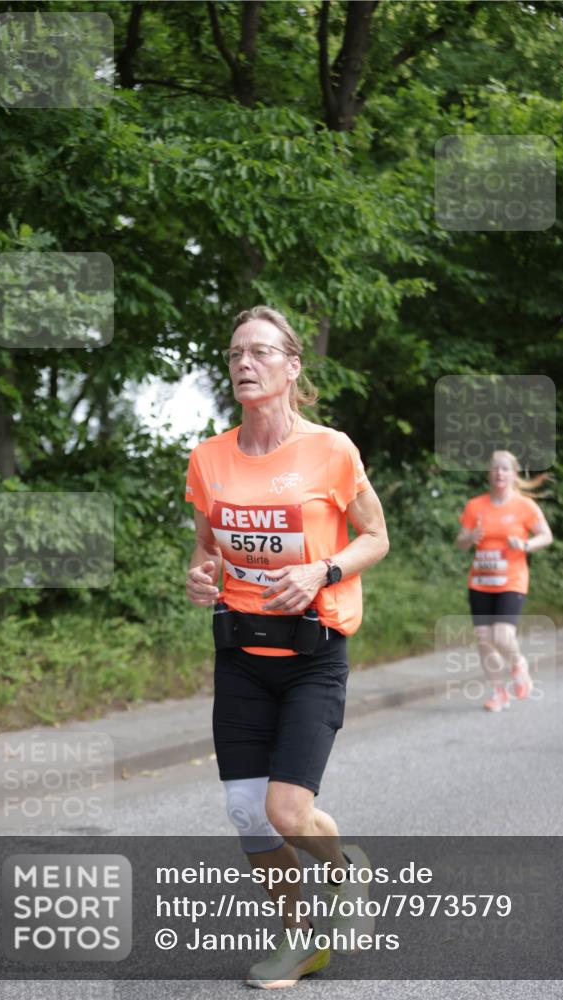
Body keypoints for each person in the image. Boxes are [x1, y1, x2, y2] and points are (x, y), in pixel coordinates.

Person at [184, 305, 389, 988]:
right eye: (236, 352)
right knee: (246, 812)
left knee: (286, 811)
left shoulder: (331, 449)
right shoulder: (209, 458)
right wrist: (200, 573)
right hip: (240, 653)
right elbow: (208, 546)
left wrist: (321, 570)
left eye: (261, 352)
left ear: (291, 366)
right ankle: (298, 941)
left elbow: (374, 537)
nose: (244, 362)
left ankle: (344, 872)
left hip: (312, 655)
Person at [456, 450, 553, 712]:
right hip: (480, 581)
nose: (499, 473)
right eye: (495, 468)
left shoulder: (525, 506)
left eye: (505, 469)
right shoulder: (475, 506)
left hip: (512, 579)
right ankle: (498, 691)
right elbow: (461, 543)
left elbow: (546, 536)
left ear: (513, 474)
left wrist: (525, 544)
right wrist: (471, 537)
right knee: (485, 640)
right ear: (489, 474)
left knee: (502, 634)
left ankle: (518, 663)